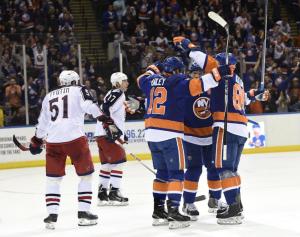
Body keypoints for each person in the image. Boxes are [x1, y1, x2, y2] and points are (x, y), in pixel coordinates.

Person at [173, 37, 269, 225]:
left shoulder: (222, 75)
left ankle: (232, 209)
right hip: (241, 129)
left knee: (223, 169)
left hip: (225, 128)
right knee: (231, 169)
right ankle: (236, 205)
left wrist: (188, 46)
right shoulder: (238, 81)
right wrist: (255, 94)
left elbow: (203, 59)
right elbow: (246, 100)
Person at [136, 56, 233, 229]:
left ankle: (158, 212)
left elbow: (140, 79)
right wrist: (221, 72)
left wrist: (153, 68)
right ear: (178, 71)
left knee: (162, 173)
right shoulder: (178, 83)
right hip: (169, 133)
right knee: (176, 173)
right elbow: (202, 83)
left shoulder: (150, 81)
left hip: (151, 133)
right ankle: (173, 211)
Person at [29, 70, 120, 229]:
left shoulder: (49, 95)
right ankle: (84, 214)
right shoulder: (80, 89)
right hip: (75, 140)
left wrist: (36, 140)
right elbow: (90, 107)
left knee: (53, 179)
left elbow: (43, 122)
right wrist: (106, 120)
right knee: (85, 177)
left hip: (53, 141)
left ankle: (51, 215)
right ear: (75, 81)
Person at [182, 62, 225, 221]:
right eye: (194, 73)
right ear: (189, 74)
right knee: (194, 169)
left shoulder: (211, 88)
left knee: (214, 168)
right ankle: (188, 203)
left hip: (210, 136)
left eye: (200, 73)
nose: (197, 76)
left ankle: (214, 199)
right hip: (191, 137)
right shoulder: (184, 89)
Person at [95, 72, 137, 206]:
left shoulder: (112, 93)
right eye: (125, 80)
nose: (127, 83)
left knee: (107, 165)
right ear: (118, 82)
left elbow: (107, 109)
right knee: (119, 162)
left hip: (101, 133)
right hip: (109, 134)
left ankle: (102, 195)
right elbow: (105, 108)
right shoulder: (118, 93)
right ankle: (114, 193)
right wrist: (112, 129)